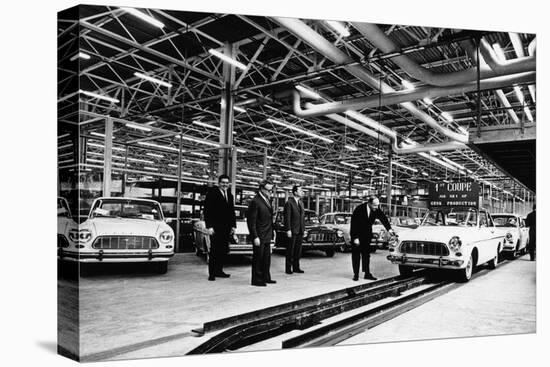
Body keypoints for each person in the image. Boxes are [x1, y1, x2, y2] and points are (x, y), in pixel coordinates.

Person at [350, 196, 394, 281]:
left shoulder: (376, 209)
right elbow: (354, 224)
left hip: (367, 235)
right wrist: (355, 237)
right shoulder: (359, 209)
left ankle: (367, 273)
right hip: (357, 235)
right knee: (356, 255)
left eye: (377, 205)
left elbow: (383, 218)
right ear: (369, 203)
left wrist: (389, 229)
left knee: (366, 255)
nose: (376, 207)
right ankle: (356, 274)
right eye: (374, 205)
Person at [204, 174, 236, 281]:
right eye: (223, 183)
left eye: (227, 183)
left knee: (223, 250)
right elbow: (207, 211)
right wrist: (209, 226)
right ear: (219, 183)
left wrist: (233, 226)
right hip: (216, 227)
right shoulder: (212, 193)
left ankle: (219, 271)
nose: (225, 185)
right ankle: (212, 273)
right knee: (214, 250)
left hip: (226, 228)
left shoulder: (230, 195)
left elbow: (232, 212)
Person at [247, 180, 276, 286]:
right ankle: (256, 280)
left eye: (271, 190)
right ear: (262, 189)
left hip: (267, 234)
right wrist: (255, 236)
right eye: (268, 190)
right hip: (259, 235)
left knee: (266, 259)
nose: (270, 192)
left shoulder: (267, 200)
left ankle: (266, 277)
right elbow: (251, 221)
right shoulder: (255, 201)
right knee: (258, 258)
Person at [283, 185, 306, 274]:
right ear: (295, 192)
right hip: (292, 230)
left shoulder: (301, 203)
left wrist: (303, 230)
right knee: (290, 250)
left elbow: (302, 218)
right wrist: (288, 229)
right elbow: (287, 218)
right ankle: (288, 268)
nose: (302, 192)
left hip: (300, 230)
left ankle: (296, 267)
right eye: (300, 190)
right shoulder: (289, 203)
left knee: (298, 250)